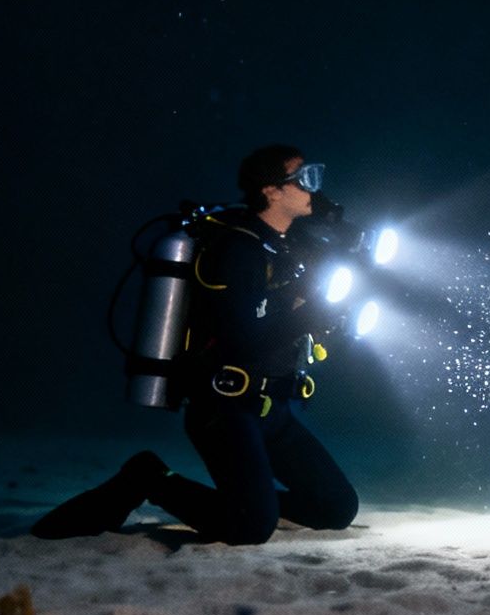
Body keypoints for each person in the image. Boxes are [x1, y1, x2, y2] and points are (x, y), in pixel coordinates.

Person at [32, 144, 360, 543]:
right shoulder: (238, 250)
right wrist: (309, 315)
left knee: (337, 507)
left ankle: (254, 504)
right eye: (304, 179)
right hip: (226, 410)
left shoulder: (287, 245)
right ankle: (150, 478)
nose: (314, 187)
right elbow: (244, 342)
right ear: (272, 191)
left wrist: (339, 236)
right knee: (251, 528)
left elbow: (319, 270)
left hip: (274, 411)